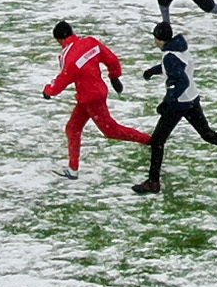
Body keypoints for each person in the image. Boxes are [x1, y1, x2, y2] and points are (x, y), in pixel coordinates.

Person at [131, 22, 217, 194]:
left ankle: (153, 182)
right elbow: (174, 69)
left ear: (160, 39)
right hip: (192, 99)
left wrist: (167, 103)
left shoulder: (170, 56)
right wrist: (152, 71)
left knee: (157, 141)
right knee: (207, 133)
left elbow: (181, 81)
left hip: (178, 104)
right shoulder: (179, 49)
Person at [43, 21, 151, 179]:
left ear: (59, 39)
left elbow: (63, 79)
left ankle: (150, 140)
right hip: (93, 94)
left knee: (111, 130)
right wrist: (115, 77)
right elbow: (111, 59)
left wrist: (48, 91)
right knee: (73, 128)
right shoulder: (90, 42)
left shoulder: (68, 56)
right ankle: (73, 169)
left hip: (90, 99)